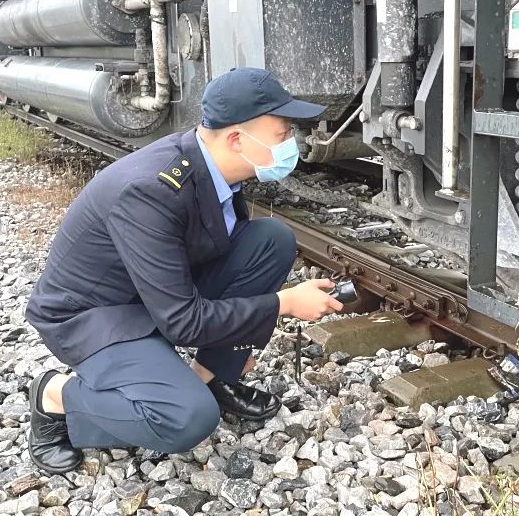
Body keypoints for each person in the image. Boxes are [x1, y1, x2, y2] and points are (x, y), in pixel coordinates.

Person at [23, 67, 344, 474]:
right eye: (282, 135)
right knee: (188, 418)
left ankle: (210, 375)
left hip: (152, 293)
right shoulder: (149, 192)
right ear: (236, 139)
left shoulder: (210, 163)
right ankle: (53, 396)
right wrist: (283, 304)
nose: (291, 143)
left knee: (270, 239)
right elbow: (182, 321)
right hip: (97, 316)